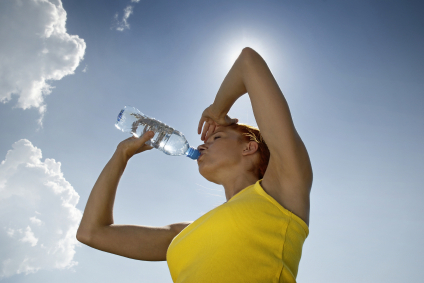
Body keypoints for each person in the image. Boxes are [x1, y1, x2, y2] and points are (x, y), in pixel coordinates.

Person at [77, 47, 313, 283]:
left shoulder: (282, 189)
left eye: (216, 138)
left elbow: (248, 62)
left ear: (249, 147)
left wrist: (217, 111)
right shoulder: (184, 233)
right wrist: (121, 154)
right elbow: (92, 233)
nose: (201, 146)